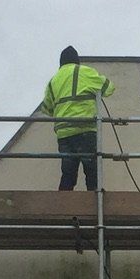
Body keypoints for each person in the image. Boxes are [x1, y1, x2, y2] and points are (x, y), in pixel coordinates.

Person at [41, 46, 115, 192]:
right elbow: (109, 88)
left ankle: (63, 201)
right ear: (77, 61)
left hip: (64, 133)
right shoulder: (85, 72)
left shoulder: (53, 81)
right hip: (85, 129)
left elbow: (47, 108)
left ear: (61, 63)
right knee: (91, 170)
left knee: (68, 173)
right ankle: (95, 199)